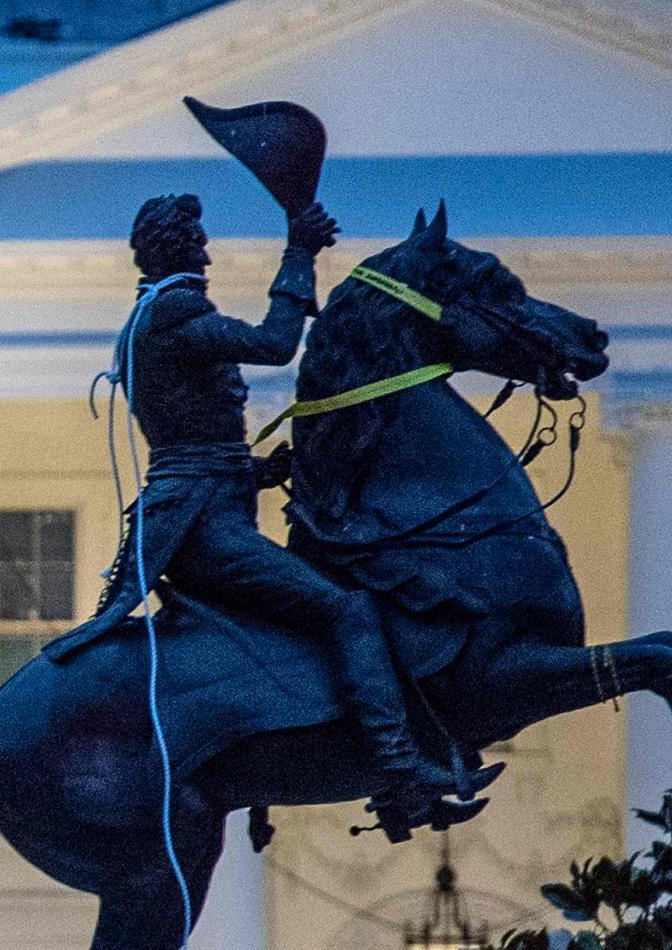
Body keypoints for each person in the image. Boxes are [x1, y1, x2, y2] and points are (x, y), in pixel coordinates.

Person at [43, 191, 495, 840]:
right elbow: (275, 343)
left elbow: (193, 445)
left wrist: (260, 470)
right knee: (348, 610)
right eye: (195, 241)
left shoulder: (156, 317)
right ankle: (400, 772)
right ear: (175, 249)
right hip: (204, 532)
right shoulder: (172, 315)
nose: (205, 251)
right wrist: (298, 253)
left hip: (208, 508)